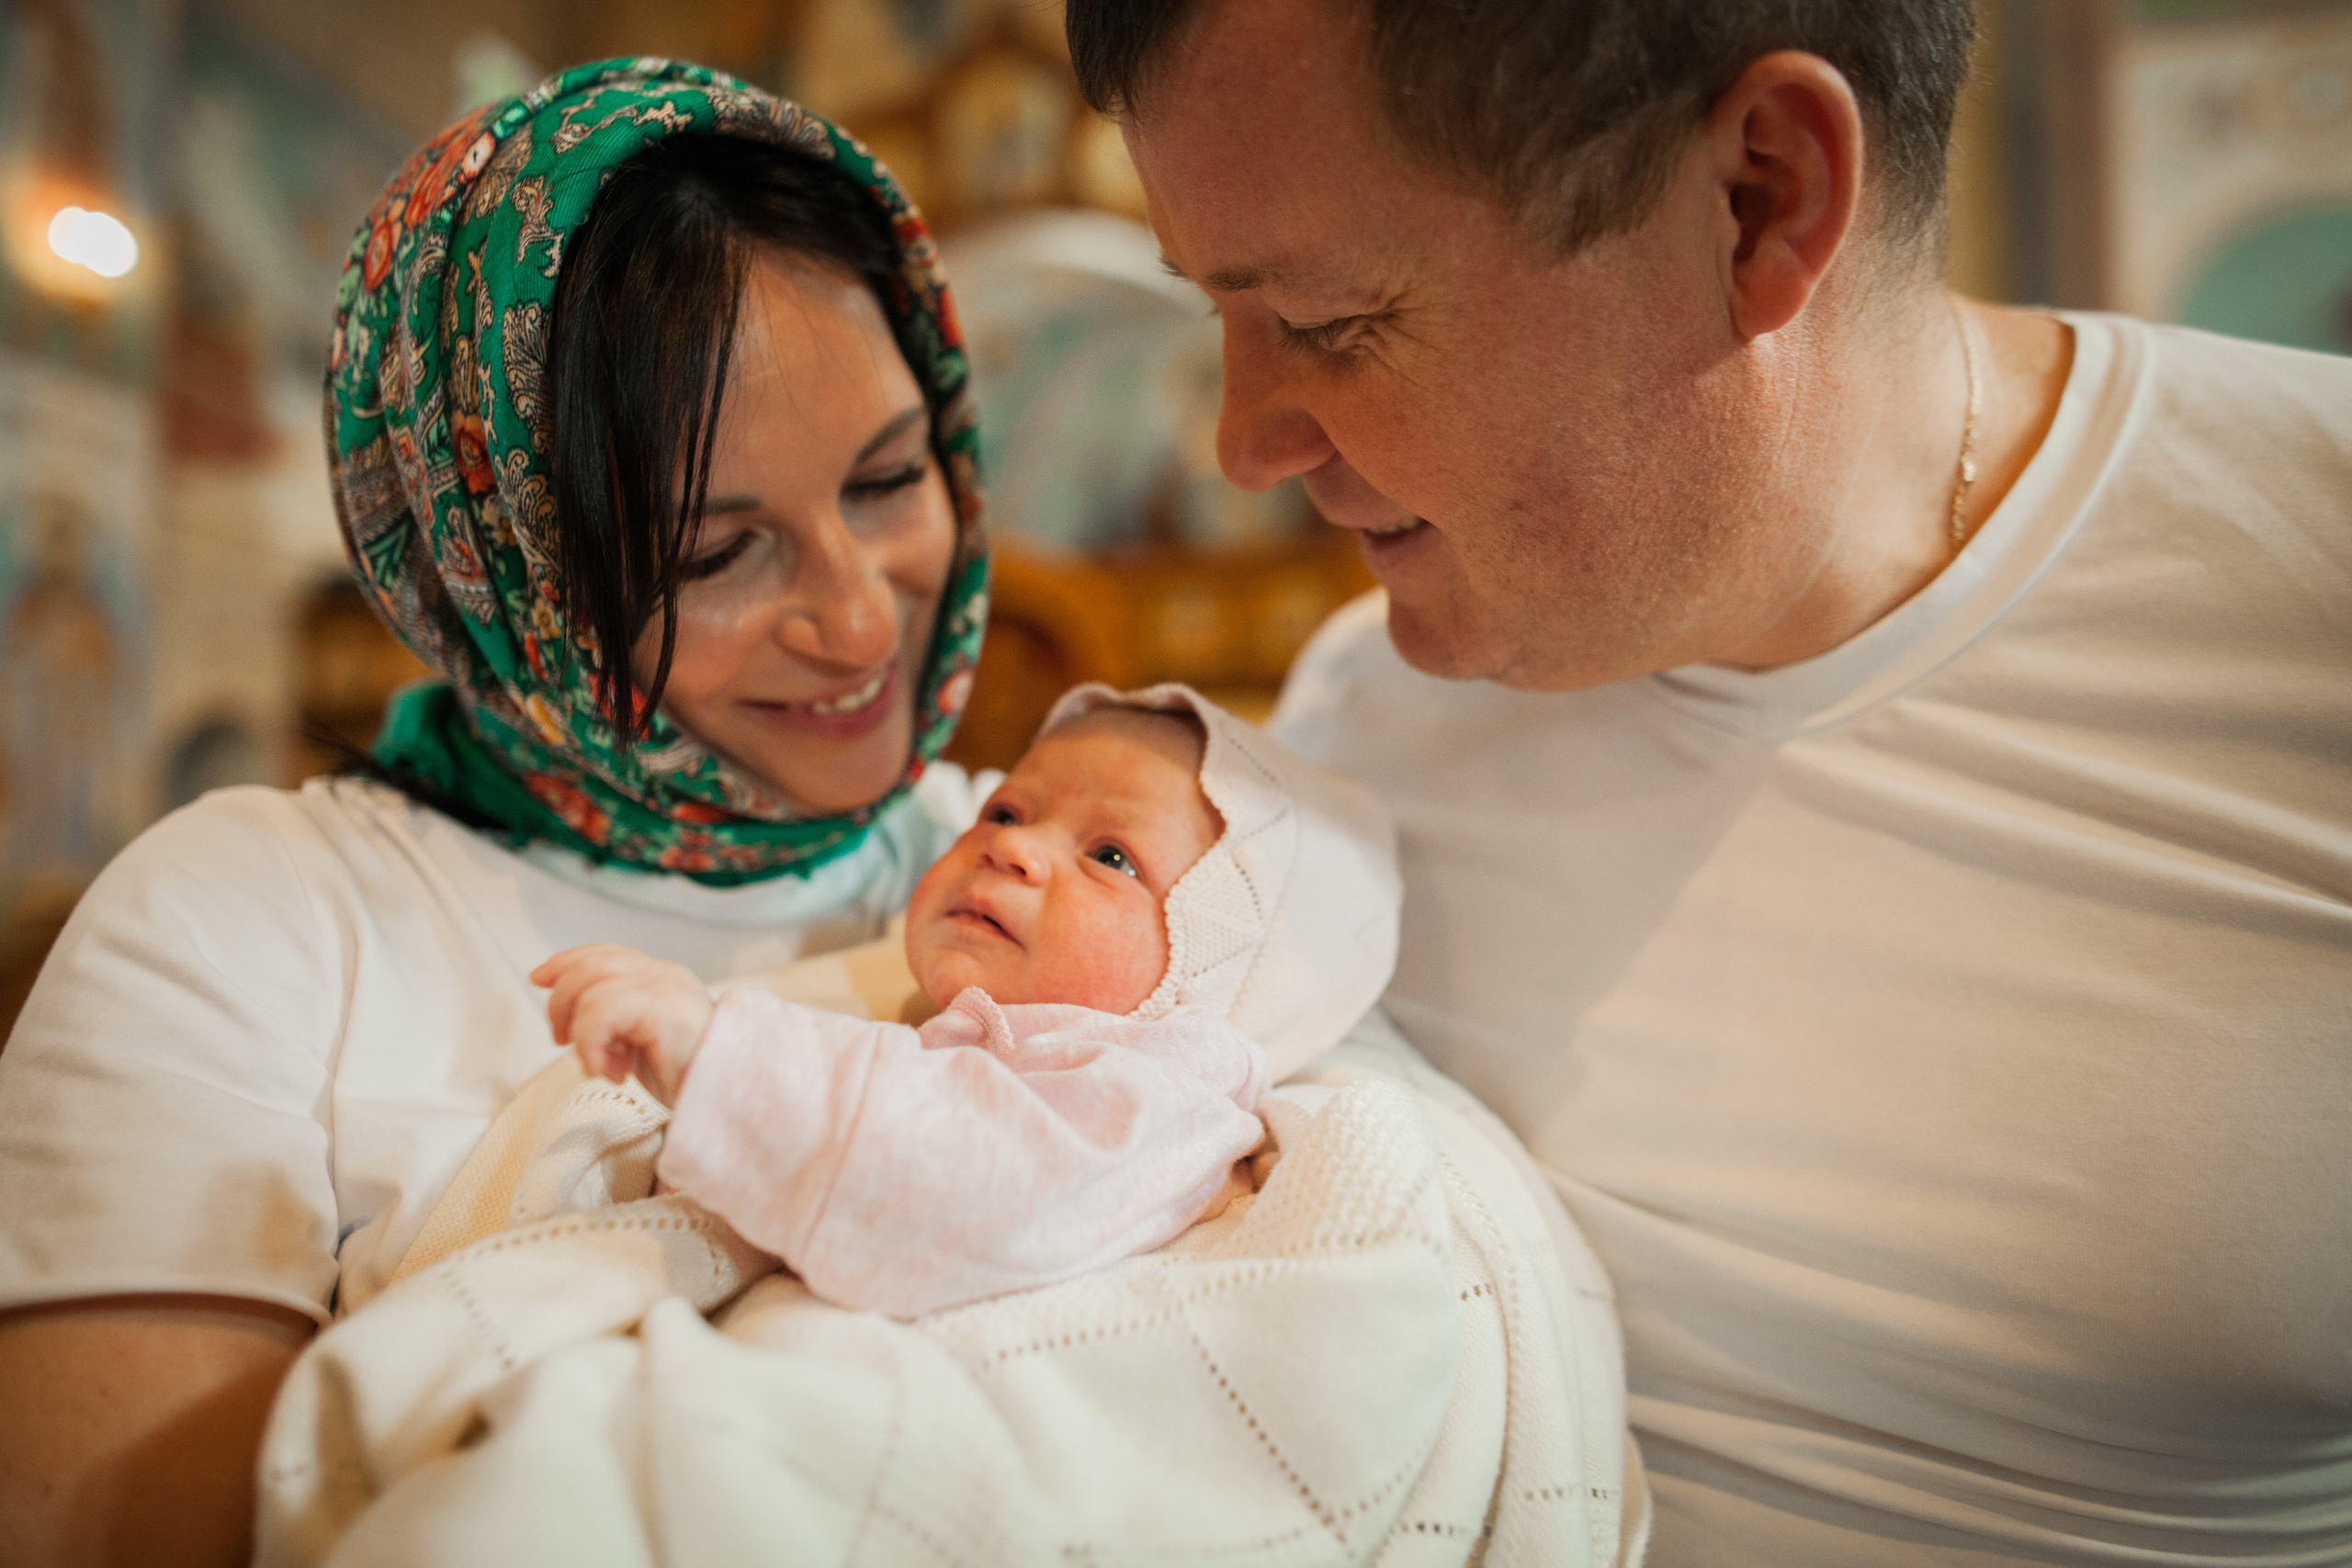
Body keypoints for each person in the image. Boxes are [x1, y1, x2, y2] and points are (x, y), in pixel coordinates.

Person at [1066, 0, 2352, 1563]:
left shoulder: (2312, 592)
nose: (1242, 443)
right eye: (1215, 308)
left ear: (1760, 197)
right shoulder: (1343, 746)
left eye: (1329, 322)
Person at [0, 62, 993, 1567]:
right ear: (499, 565)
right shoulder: (246, 926)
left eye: (889, 478)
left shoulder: (1037, 867)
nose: (860, 622)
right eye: (715, 554)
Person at [525, 682, 1399, 1318]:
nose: (1013, 850)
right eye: (1008, 811)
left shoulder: (1157, 1093)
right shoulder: (948, 1022)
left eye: (1112, 856)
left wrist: (718, 1058)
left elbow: (970, 1175)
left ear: (1223, 976)